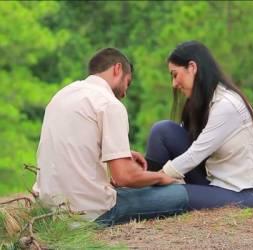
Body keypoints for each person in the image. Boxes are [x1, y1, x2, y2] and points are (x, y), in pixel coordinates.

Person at [33, 48, 189, 226]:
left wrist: (121, 152)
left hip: (49, 209)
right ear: (117, 69)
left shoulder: (62, 95)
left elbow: (71, 144)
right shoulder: (109, 103)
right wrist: (160, 177)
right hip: (89, 213)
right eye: (127, 83)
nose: (124, 94)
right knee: (179, 193)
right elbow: (124, 177)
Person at [146, 41, 253, 210]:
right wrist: (140, 171)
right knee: (163, 130)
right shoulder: (203, 102)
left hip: (241, 194)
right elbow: (186, 145)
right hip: (212, 182)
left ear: (192, 67)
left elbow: (195, 154)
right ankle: (142, 186)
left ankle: (140, 191)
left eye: (175, 74)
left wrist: (157, 177)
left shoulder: (227, 105)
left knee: (170, 195)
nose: (174, 84)